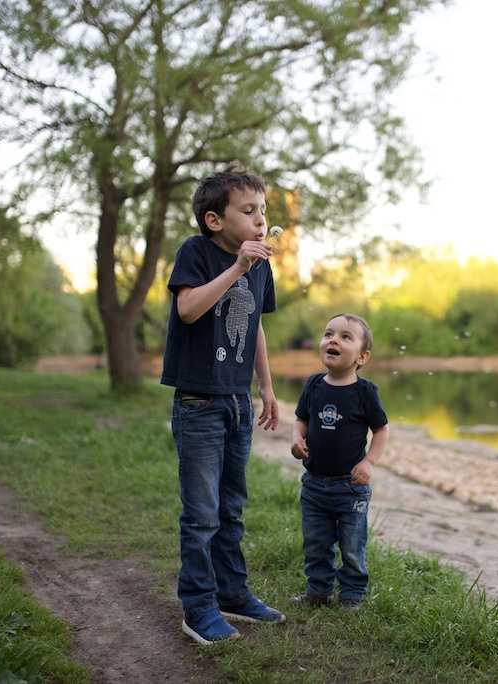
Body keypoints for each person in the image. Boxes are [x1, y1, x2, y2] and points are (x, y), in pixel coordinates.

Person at [161, 163, 284, 645]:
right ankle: (198, 606)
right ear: (216, 220)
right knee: (202, 514)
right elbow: (188, 309)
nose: (259, 220)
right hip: (199, 403)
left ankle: (232, 594)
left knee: (232, 508)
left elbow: (254, 326)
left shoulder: (261, 265)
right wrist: (238, 268)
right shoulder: (197, 253)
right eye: (248, 211)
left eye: (263, 211)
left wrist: (267, 388)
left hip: (236, 402)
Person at [291, 313, 390, 609]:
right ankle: (318, 592)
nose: (333, 339)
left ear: (362, 356)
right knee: (316, 544)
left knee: (352, 545)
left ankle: (352, 595)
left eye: (346, 337)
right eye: (328, 334)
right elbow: (301, 419)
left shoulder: (365, 392)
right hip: (314, 486)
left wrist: (369, 462)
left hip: (350, 488)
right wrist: (297, 439)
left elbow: (382, 429)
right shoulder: (313, 385)